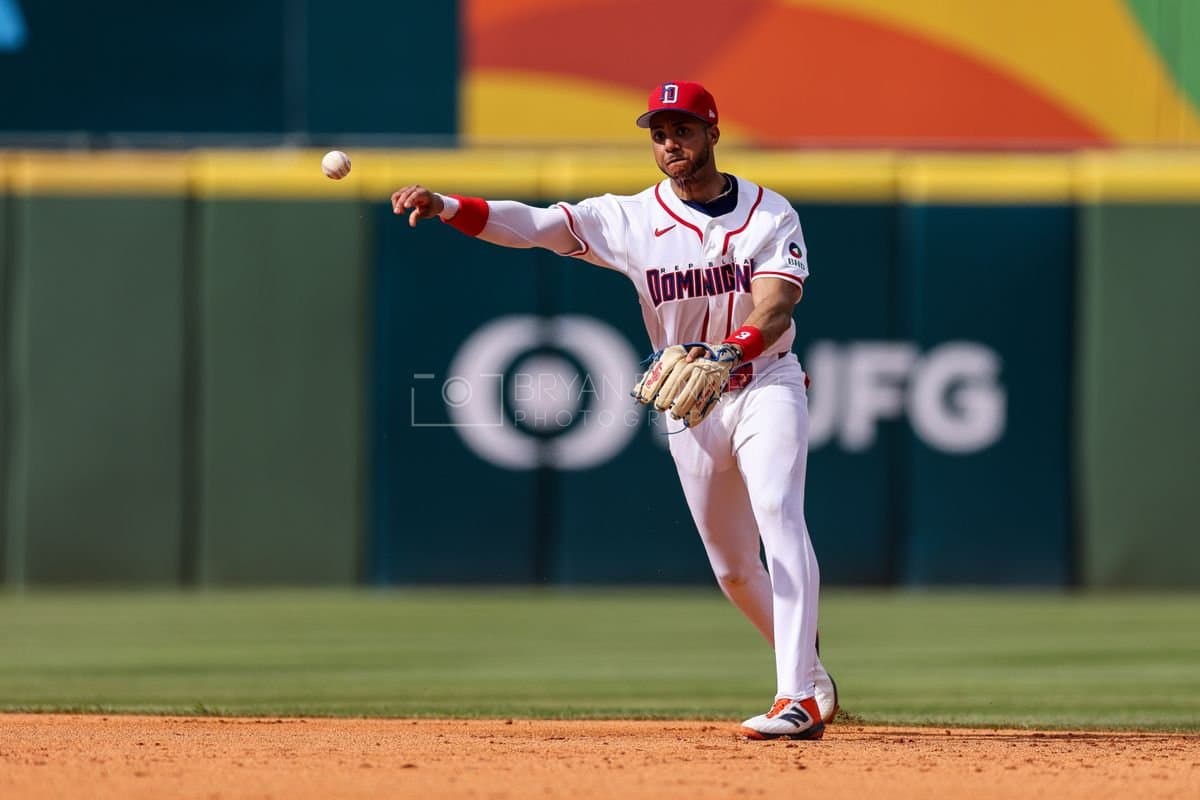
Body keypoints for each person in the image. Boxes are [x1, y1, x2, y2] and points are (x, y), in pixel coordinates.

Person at [391, 80, 837, 741]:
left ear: (712, 133)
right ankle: (814, 676)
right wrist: (448, 205)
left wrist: (728, 351)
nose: (669, 142)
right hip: (690, 404)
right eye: (659, 132)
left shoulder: (770, 214)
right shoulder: (631, 218)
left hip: (764, 383)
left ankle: (794, 694)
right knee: (734, 570)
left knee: (779, 509)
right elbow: (535, 226)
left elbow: (776, 306)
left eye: (683, 129)